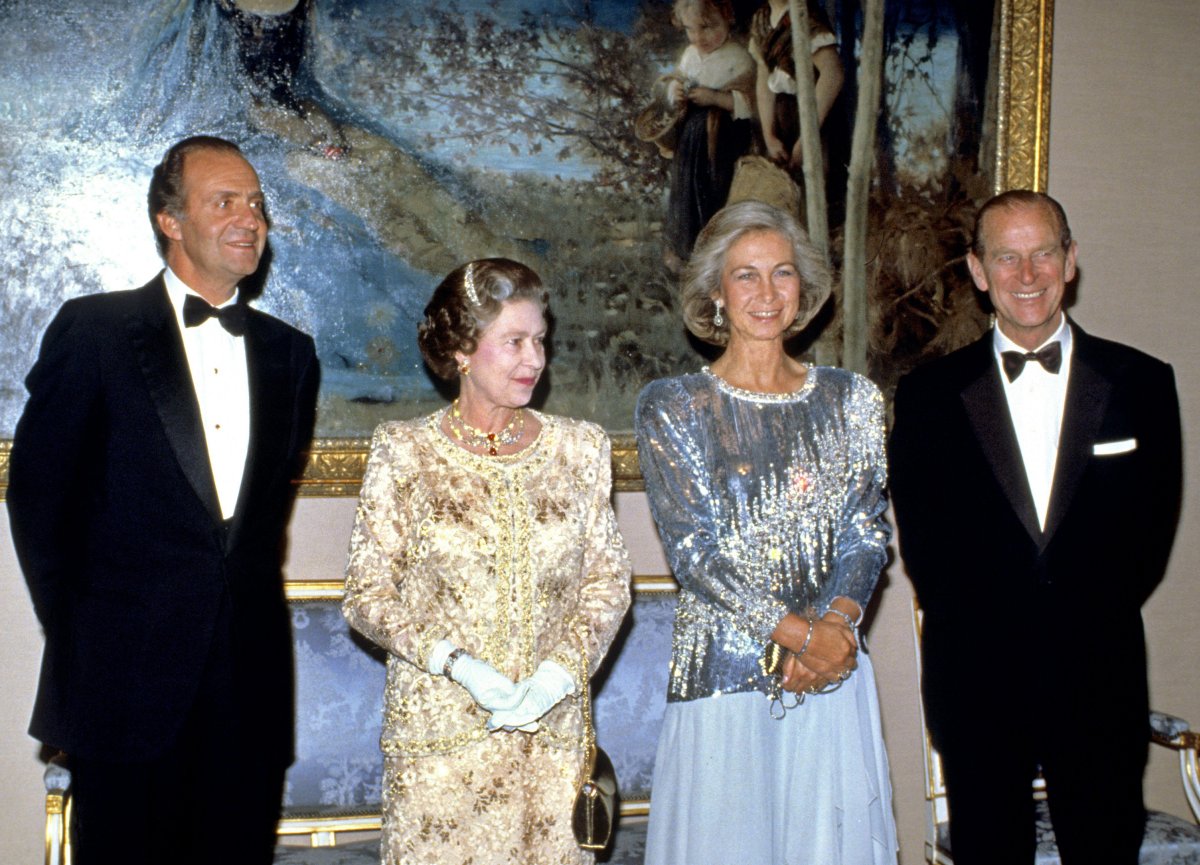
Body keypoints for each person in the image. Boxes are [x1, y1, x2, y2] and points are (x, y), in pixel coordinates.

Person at [7, 135, 320, 865]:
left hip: (249, 690)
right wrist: (92, 640)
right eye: (224, 201)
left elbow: (259, 530)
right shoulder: (94, 331)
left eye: (256, 204)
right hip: (119, 690)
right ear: (169, 221)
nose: (249, 218)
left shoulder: (290, 354)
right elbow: (38, 503)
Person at [889, 190, 1183, 865]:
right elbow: (927, 550)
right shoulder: (928, 396)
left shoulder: (1141, 382)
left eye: (1043, 253)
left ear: (1071, 261)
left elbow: (1149, 542)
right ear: (977, 270)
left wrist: (1076, 623)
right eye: (1007, 257)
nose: (1028, 275)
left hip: (1100, 677)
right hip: (977, 680)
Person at [342, 258, 632, 865]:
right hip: (440, 753)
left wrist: (559, 674)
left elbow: (607, 583)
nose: (535, 360)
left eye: (541, 341)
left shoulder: (580, 449)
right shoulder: (406, 452)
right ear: (462, 352)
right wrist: (459, 665)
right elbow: (367, 595)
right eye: (515, 342)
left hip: (552, 744)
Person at [635, 200, 898, 864]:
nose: (765, 292)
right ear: (715, 293)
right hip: (722, 677)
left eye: (782, 273)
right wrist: (800, 635)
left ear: (803, 289)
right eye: (745, 275)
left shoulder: (853, 399)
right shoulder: (672, 405)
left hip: (831, 674)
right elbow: (696, 554)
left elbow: (866, 532)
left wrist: (833, 632)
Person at [661, 0, 756, 268]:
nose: (698, 37)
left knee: (715, 194)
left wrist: (715, 97)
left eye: (707, 27)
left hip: (723, 142)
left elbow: (751, 105)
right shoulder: (690, 55)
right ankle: (685, 250)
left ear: (728, 18)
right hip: (691, 140)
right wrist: (675, 92)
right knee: (686, 191)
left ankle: (716, 255)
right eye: (691, 29)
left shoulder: (739, 57)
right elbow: (675, 83)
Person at [749, 0, 844, 176]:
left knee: (814, 181)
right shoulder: (761, 20)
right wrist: (769, 135)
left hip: (813, 113)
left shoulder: (805, 18)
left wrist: (807, 139)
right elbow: (764, 78)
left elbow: (833, 74)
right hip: (779, 116)